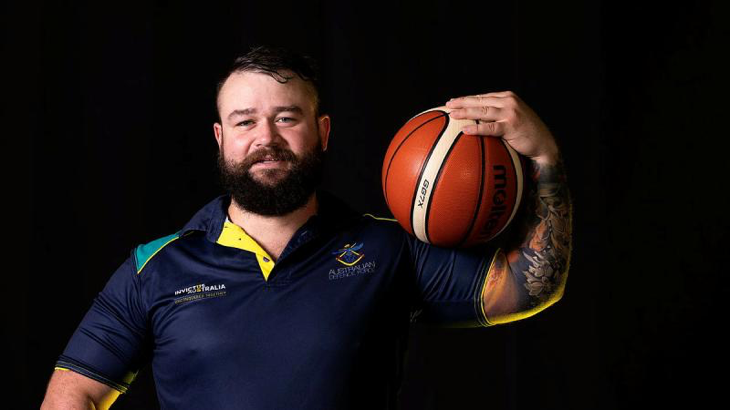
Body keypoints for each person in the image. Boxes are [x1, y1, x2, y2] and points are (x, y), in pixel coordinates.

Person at [41, 46, 572, 410]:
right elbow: (75, 392)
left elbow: (529, 284)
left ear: (322, 131)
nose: (265, 137)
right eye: (246, 121)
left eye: (287, 118)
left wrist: (544, 157)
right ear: (221, 137)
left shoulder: (387, 247)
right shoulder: (153, 267)